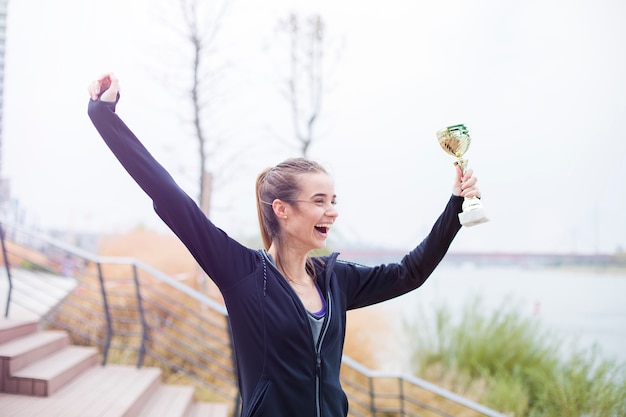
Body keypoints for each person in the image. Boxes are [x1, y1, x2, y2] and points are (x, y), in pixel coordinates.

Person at [87, 73, 482, 417]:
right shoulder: (241, 274)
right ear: (283, 210)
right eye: (319, 201)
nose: (332, 212)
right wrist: (104, 116)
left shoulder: (335, 280)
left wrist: (456, 207)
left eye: (334, 201)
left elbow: (410, 273)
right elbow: (171, 197)